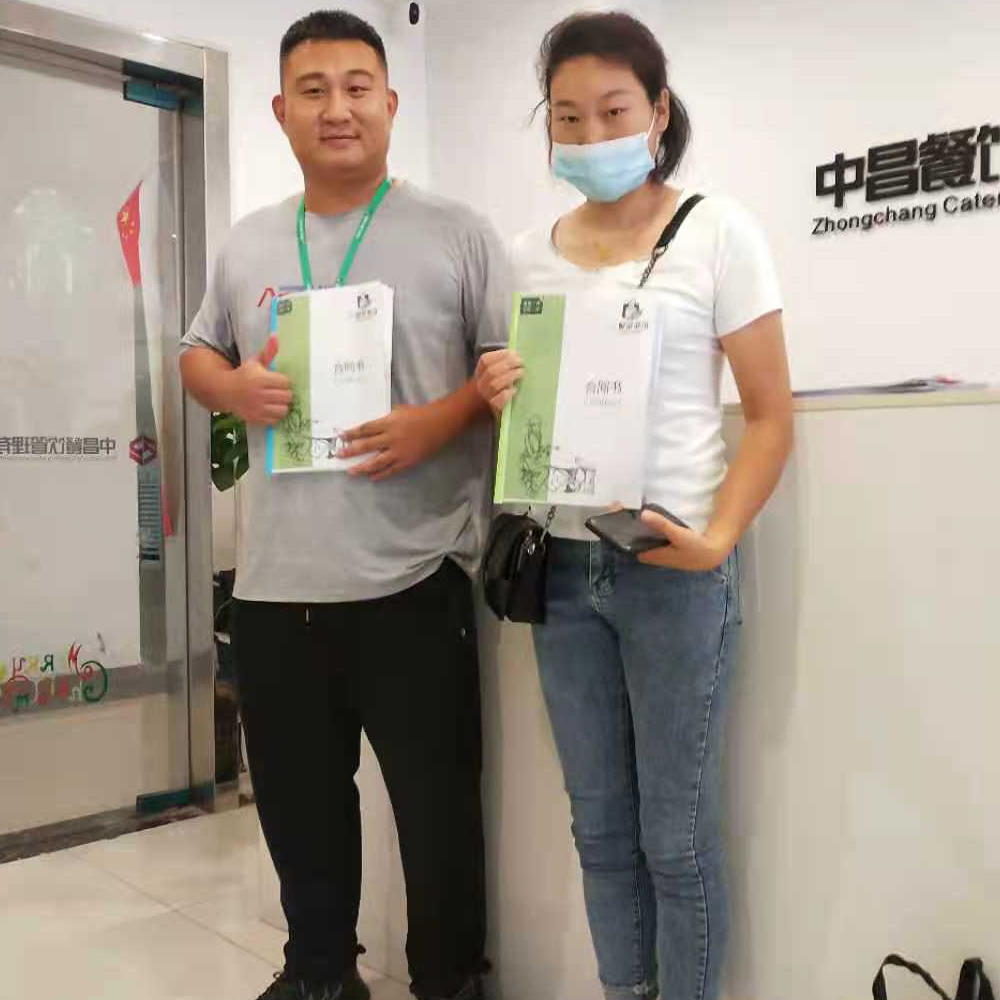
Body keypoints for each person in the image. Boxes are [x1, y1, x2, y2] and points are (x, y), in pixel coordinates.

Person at [180, 11, 507, 1000]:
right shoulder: (248, 243)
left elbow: (509, 377)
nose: (337, 108)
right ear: (280, 110)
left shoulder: (458, 234)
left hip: (412, 578)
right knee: (299, 811)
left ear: (390, 103)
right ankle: (320, 974)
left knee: (437, 814)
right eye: (313, 90)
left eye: (357, 87)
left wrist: (434, 422)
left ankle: (449, 981)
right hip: (277, 586)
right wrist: (232, 388)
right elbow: (196, 355)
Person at [474, 12, 793, 1000]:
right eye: (567, 117)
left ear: (657, 112)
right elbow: (531, 417)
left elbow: (770, 416)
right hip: (562, 569)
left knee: (676, 838)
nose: (590, 133)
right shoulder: (525, 257)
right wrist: (496, 390)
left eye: (613, 111)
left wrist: (718, 540)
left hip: (672, 566)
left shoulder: (720, 232)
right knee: (600, 830)